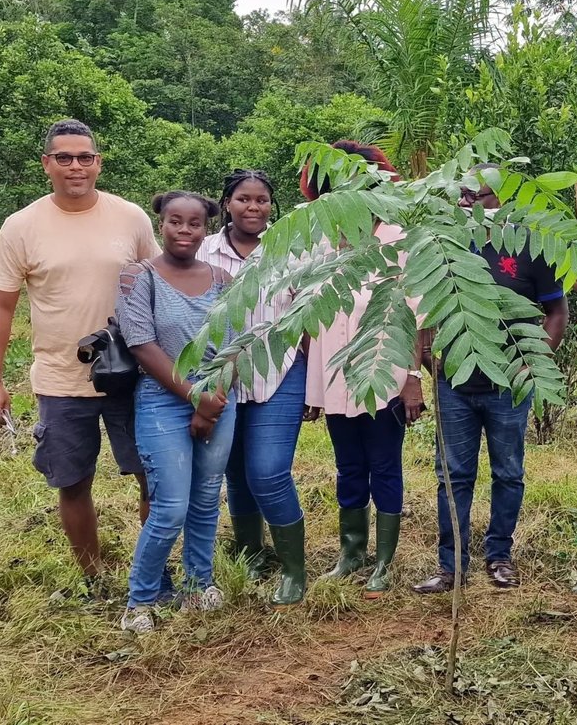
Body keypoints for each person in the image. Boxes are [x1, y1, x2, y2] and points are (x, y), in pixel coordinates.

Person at [0, 119, 159, 596]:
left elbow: (161, 286)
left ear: (98, 163)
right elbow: (1, 305)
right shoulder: (22, 226)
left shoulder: (131, 217)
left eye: (85, 157)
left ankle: (150, 573)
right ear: (47, 165)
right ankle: (93, 577)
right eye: (64, 157)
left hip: (133, 374)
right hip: (62, 378)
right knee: (72, 481)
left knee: (152, 475)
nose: (75, 166)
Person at [411, 167, 569, 595]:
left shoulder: (529, 246)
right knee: (452, 476)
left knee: (508, 473)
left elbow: (556, 313)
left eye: (475, 196)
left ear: (499, 199)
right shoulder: (444, 245)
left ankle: (499, 556)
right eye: (460, 196)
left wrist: (533, 363)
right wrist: (428, 359)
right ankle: (451, 565)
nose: (466, 204)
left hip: (509, 386)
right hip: (454, 385)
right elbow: (424, 310)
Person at [304, 140, 425, 599]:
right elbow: (310, 319)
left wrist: (413, 379)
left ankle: (384, 562)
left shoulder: (399, 240)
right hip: (335, 377)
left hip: (387, 376)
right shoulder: (321, 242)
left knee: (384, 466)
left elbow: (414, 317)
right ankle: (350, 553)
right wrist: (313, 388)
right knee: (348, 466)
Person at [115, 191, 237, 633]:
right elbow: (142, 345)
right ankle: (140, 601)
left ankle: (197, 584)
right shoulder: (137, 277)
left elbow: (234, 346)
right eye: (175, 222)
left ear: (207, 228)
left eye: (195, 224)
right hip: (163, 399)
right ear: (160, 224)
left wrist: (213, 401)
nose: (185, 231)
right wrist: (195, 399)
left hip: (220, 397)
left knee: (206, 498)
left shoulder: (224, 279)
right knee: (169, 505)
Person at [201, 169, 311, 606]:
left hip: (280, 370)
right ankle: (251, 552)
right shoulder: (205, 249)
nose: (253, 207)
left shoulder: (291, 248)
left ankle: (293, 568)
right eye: (244, 199)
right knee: (235, 469)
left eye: (262, 200)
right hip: (220, 375)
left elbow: (310, 314)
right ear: (227, 202)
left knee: (268, 472)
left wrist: (315, 384)